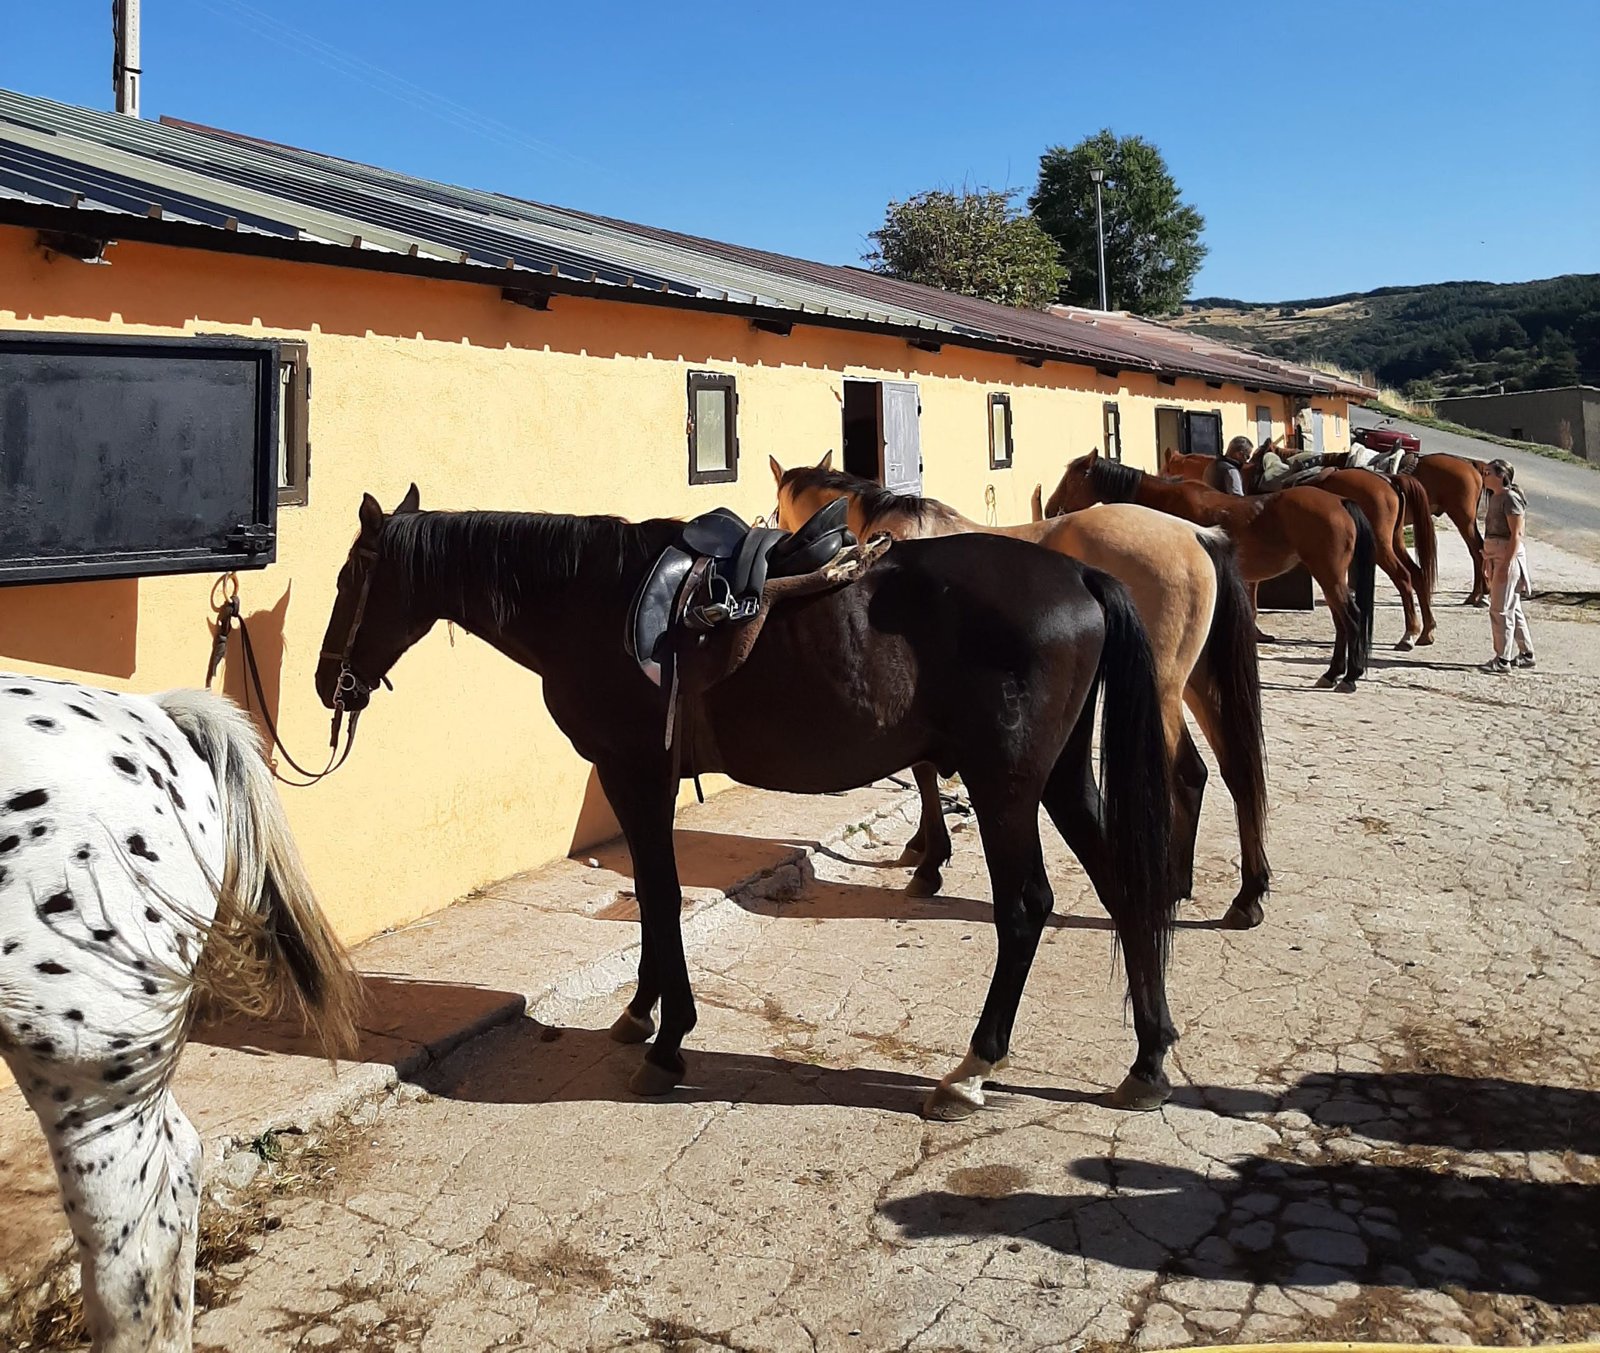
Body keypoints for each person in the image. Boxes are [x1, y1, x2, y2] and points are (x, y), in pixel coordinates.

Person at [1480, 459, 1534, 674]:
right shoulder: (1495, 498)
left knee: (1500, 609)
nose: (1484, 477)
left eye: (1488, 473)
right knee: (1514, 607)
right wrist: (1488, 559)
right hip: (1495, 554)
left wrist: (1507, 563)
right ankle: (1526, 653)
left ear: (1501, 475)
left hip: (1506, 555)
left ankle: (1503, 659)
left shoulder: (1510, 498)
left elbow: (1516, 534)